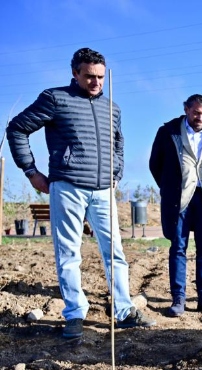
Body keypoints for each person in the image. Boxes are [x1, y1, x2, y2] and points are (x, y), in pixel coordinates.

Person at [6, 48, 156, 338]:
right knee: (68, 254)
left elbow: (118, 144)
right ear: (75, 73)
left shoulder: (112, 108)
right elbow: (17, 129)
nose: (96, 82)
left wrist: (116, 174)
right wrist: (31, 171)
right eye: (89, 76)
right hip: (67, 187)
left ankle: (124, 311)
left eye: (100, 77)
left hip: (103, 192)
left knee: (115, 253)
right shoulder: (54, 98)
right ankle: (75, 314)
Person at [149, 94, 202, 317]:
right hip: (178, 200)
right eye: (196, 113)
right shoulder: (167, 132)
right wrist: (170, 187)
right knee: (178, 247)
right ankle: (178, 299)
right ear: (186, 109)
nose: (200, 118)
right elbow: (156, 165)